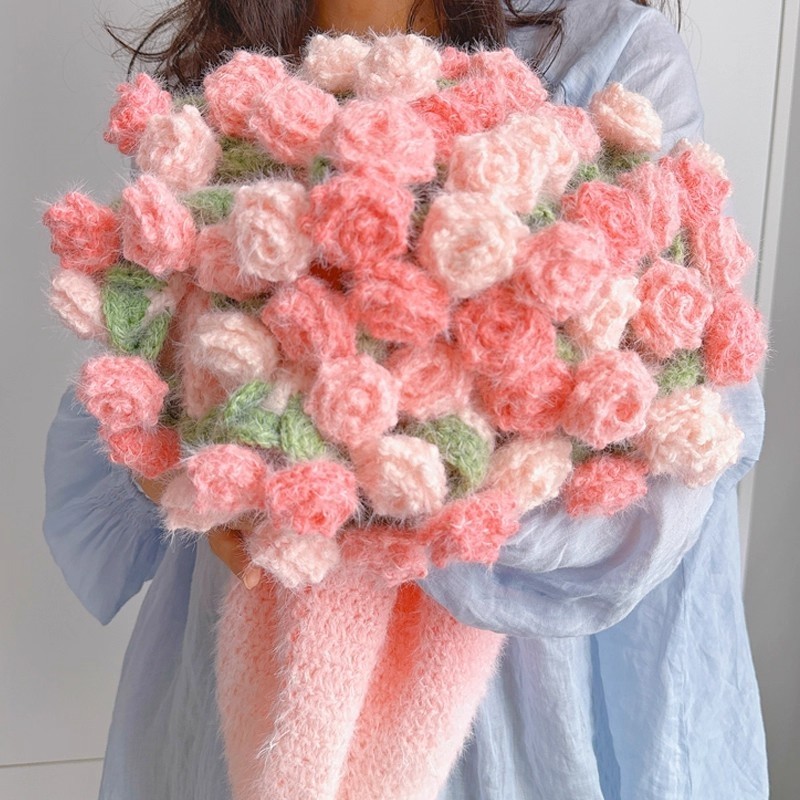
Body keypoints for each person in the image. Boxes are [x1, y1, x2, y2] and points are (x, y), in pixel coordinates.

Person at [42, 0, 770, 797]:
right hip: (250, 670)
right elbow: (122, 421)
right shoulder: (233, 72)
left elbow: (674, 476)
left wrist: (384, 502)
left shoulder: (613, 55)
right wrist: (185, 470)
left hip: (516, 713)